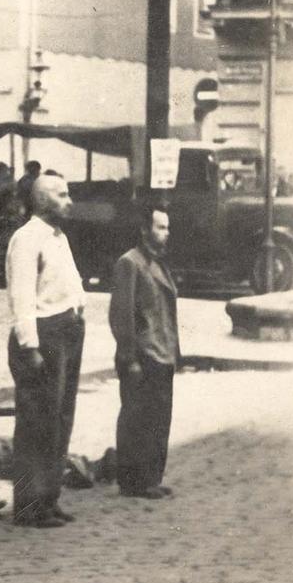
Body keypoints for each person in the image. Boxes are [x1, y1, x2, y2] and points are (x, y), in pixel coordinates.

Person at [5, 173, 86, 528]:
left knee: (59, 420)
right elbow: (21, 295)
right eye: (62, 195)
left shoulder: (58, 237)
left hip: (67, 331)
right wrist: (30, 347)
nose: (70, 202)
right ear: (41, 201)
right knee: (35, 423)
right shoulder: (25, 239)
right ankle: (27, 505)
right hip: (44, 334)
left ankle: (48, 498)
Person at [109, 201, 180, 500]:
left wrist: (176, 352)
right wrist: (129, 357)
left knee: (159, 419)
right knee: (137, 419)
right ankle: (132, 481)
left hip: (162, 352)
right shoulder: (130, 263)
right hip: (142, 354)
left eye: (167, 227)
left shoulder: (159, 262)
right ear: (144, 230)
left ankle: (151, 477)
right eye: (160, 227)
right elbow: (121, 315)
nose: (166, 233)